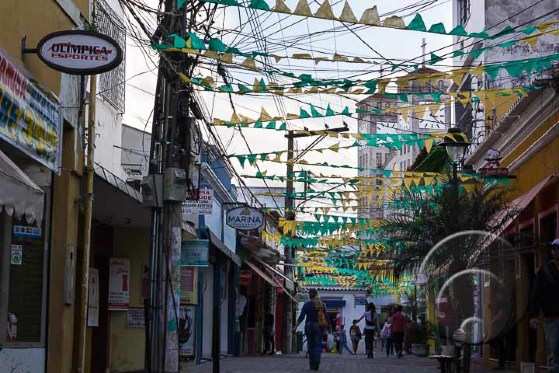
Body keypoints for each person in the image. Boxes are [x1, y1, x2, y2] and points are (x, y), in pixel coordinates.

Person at [529, 239, 559, 373]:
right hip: (552, 317)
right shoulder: (545, 270)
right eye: (555, 249)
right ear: (553, 251)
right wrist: (534, 315)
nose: (556, 251)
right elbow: (536, 293)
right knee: (554, 349)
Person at [295, 289, 328, 371]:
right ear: (316, 294)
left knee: (310, 345)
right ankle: (316, 362)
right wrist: (326, 328)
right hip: (318, 327)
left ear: (309, 295)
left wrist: (295, 326)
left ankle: (311, 365)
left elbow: (301, 317)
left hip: (309, 325)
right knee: (317, 345)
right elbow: (326, 317)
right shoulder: (322, 304)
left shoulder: (306, 305)